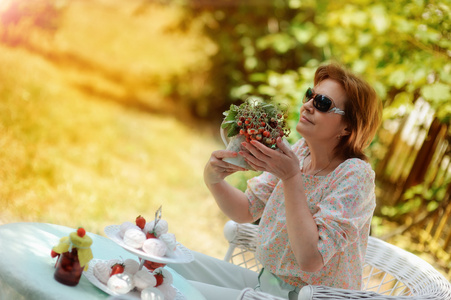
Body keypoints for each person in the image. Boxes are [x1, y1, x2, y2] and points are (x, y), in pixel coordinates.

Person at [169, 63, 382, 300]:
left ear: (348, 127)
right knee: (170, 263)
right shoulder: (301, 152)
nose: (309, 105)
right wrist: (213, 179)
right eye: (310, 96)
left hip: (306, 297)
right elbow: (247, 209)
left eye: (323, 103)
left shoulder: (355, 175)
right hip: (268, 284)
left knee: (173, 291)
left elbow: (310, 258)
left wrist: (291, 178)